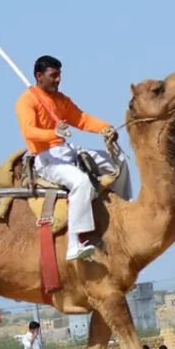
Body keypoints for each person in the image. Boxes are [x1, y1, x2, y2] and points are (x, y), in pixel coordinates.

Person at [16, 55, 132, 260]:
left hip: (67, 151)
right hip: (46, 159)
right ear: (39, 76)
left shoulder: (61, 100)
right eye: (53, 76)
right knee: (81, 183)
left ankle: (125, 212)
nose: (58, 80)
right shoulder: (27, 101)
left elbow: (81, 119)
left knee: (118, 161)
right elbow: (29, 132)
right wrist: (54, 133)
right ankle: (74, 244)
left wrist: (105, 128)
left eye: (59, 75)